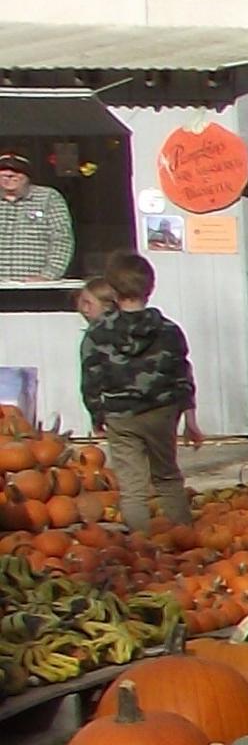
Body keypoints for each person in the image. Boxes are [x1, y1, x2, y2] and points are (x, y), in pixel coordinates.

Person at [78, 253, 193, 530]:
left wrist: (96, 413)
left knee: (132, 487)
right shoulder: (168, 330)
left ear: (113, 291)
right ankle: (185, 538)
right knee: (167, 476)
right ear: (150, 288)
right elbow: (182, 374)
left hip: (120, 414)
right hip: (162, 413)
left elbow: (91, 377)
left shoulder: (98, 334)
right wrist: (190, 416)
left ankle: (142, 547)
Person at [0, 153, 76, 282]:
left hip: (35, 286)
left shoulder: (49, 198)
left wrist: (48, 275)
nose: (9, 175)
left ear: (27, 176)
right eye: (3, 172)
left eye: (16, 171)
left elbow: (61, 239)